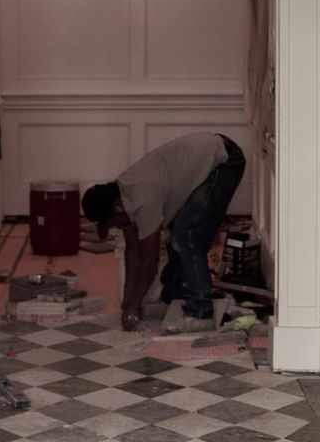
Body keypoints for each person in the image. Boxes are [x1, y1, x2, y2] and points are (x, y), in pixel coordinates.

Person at [82, 132, 245, 332]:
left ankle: (201, 312)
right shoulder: (123, 195)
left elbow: (148, 262)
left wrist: (134, 304)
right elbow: (133, 253)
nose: (115, 226)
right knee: (176, 232)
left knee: (186, 236)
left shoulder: (142, 200)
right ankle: (175, 300)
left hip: (223, 160)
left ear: (116, 208)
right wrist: (128, 302)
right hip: (209, 154)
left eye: (112, 222)